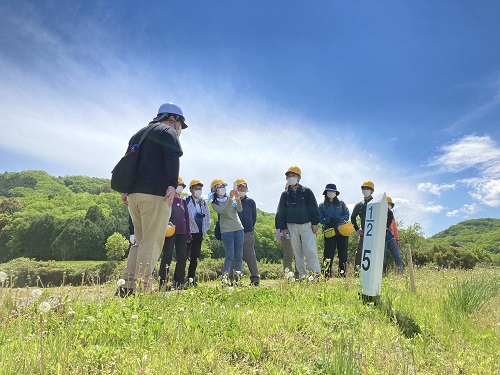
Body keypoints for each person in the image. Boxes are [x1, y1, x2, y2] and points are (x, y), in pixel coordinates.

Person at [117, 102, 186, 297]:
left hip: (134, 196)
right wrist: (172, 183)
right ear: (173, 118)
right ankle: (143, 286)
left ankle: (127, 285)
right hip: (156, 194)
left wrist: (125, 189)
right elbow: (173, 157)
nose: (180, 129)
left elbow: (128, 162)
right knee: (152, 241)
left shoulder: (139, 134)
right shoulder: (167, 131)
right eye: (180, 123)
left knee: (139, 241)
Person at [277, 166, 321, 278]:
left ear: (299, 177)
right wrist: (284, 228)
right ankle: (302, 275)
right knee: (297, 253)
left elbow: (314, 208)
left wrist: (315, 223)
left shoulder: (307, 192)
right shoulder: (285, 194)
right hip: (291, 226)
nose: (291, 178)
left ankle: (315, 275)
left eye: (293, 175)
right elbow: (281, 213)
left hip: (307, 224)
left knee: (310, 250)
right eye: (289, 176)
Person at [351, 181, 394, 271]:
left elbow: (390, 215)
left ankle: (375, 273)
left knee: (375, 254)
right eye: (363, 189)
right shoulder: (359, 205)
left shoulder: (377, 203)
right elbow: (352, 218)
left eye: (367, 189)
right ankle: (356, 274)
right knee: (359, 254)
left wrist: (385, 227)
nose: (365, 190)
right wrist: (357, 229)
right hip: (364, 234)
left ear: (372, 191)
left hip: (375, 234)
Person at [158, 176, 191, 290]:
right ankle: (162, 283)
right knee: (167, 256)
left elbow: (186, 217)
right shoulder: (167, 199)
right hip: (170, 231)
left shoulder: (183, 201)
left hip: (182, 233)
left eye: (182, 186)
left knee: (182, 257)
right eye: (179, 185)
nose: (181, 187)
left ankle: (179, 281)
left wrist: (188, 233)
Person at [210, 178, 244, 284]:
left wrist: (237, 198)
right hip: (226, 231)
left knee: (239, 256)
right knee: (229, 256)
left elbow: (240, 209)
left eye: (223, 187)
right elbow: (225, 212)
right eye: (220, 187)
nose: (222, 189)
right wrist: (231, 199)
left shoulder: (231, 198)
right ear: (215, 190)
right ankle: (224, 280)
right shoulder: (214, 204)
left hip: (239, 228)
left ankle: (238, 280)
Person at [231, 178, 260, 286]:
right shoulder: (232, 201)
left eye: (244, 187)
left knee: (250, 256)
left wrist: (250, 229)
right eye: (240, 187)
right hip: (234, 232)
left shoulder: (251, 202)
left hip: (248, 232)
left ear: (247, 189)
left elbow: (254, 217)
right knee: (234, 256)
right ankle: (233, 279)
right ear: (236, 189)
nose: (242, 189)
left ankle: (255, 278)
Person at [318, 183, 350, 277]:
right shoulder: (322, 205)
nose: (331, 193)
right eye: (329, 191)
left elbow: (347, 215)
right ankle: (325, 276)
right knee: (328, 255)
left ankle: (342, 275)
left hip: (342, 231)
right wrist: (328, 220)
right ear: (326, 193)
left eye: (333, 191)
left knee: (343, 254)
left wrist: (339, 220)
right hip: (329, 232)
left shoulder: (341, 204)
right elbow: (320, 219)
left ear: (336, 193)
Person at [185, 179, 211, 285]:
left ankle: (191, 279)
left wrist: (204, 231)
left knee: (195, 257)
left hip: (199, 233)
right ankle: (179, 279)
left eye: (200, 189)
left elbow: (207, 218)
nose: (198, 191)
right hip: (188, 232)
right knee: (183, 256)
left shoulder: (203, 203)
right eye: (196, 189)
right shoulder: (186, 201)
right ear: (191, 190)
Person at [385, 196, 403, 271]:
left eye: (390, 204)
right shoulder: (379, 214)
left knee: (397, 256)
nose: (389, 205)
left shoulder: (392, 216)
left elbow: (395, 228)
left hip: (392, 238)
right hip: (382, 238)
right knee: (382, 257)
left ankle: (401, 272)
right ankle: (380, 275)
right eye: (387, 203)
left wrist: (397, 240)